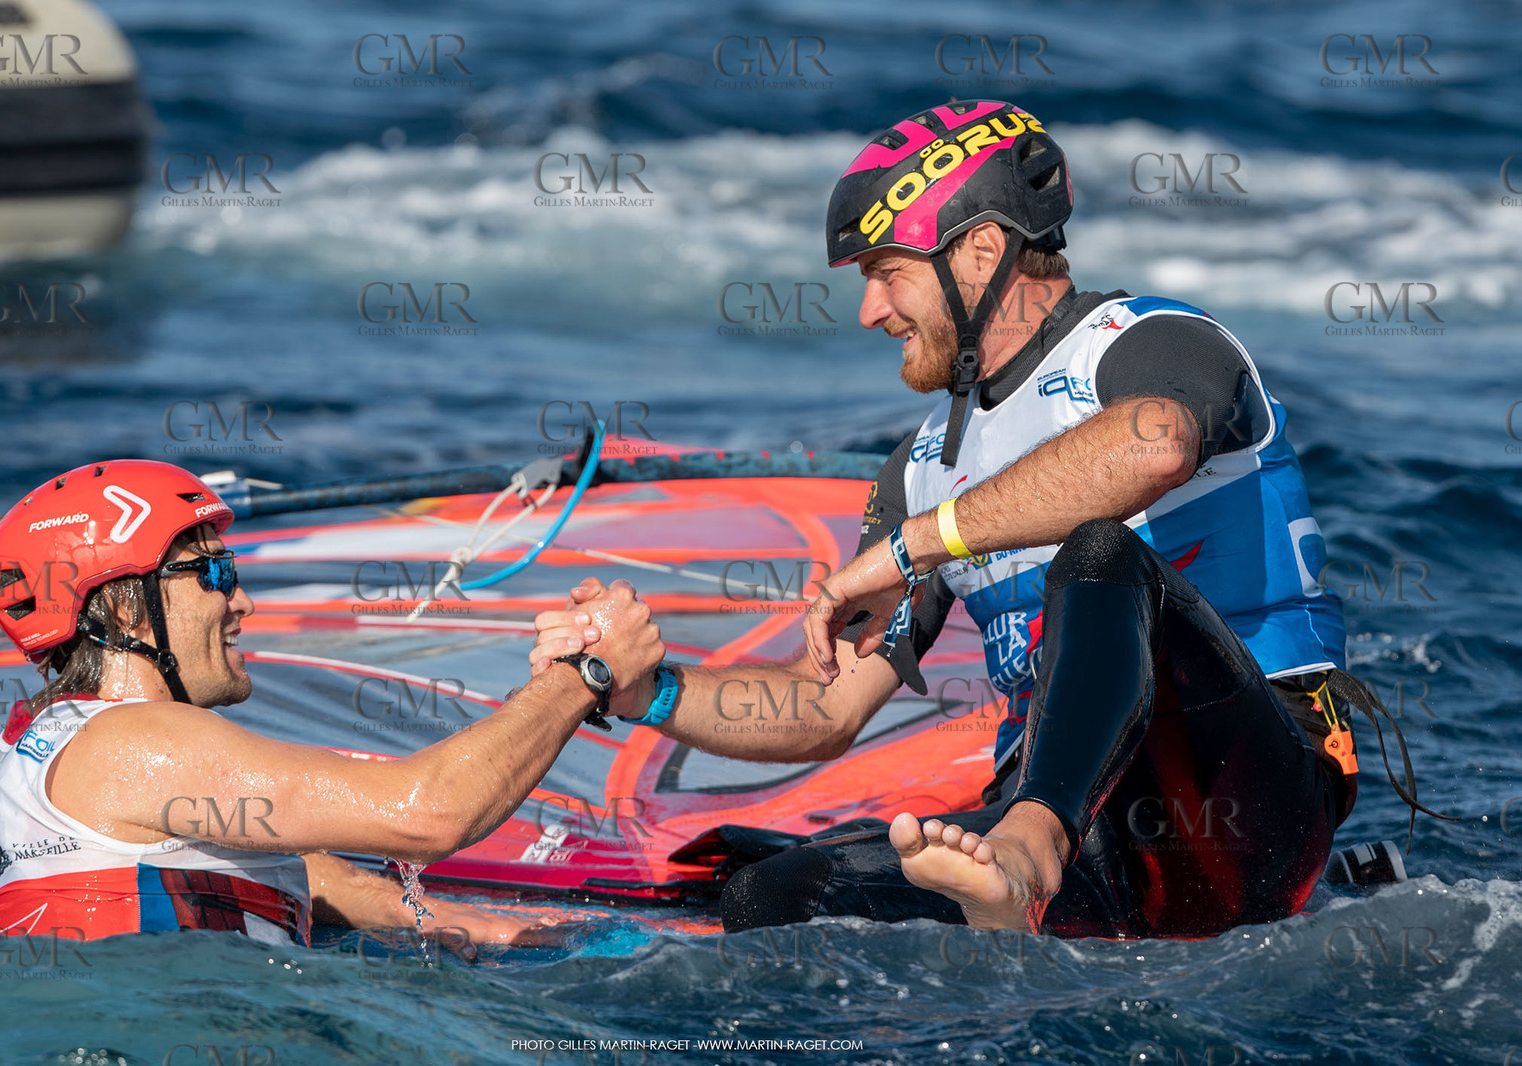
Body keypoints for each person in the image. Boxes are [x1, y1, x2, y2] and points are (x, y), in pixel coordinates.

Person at [532, 100, 1431, 938]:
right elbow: (828, 709)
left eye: (887, 274)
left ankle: (1034, 841)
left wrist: (918, 545)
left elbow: (1155, 446)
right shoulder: (921, 467)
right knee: (773, 892)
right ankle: (1027, 863)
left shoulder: (1152, 341)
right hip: (1094, 848)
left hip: (1242, 805)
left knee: (1099, 554)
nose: (869, 310)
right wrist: (638, 689)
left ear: (980, 250)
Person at [0, 459, 663, 947]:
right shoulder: (131, 744)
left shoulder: (67, 740)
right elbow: (429, 813)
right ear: (125, 611)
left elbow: (261, 853)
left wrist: (446, 918)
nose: (240, 600)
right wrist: (587, 673)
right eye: (215, 572)